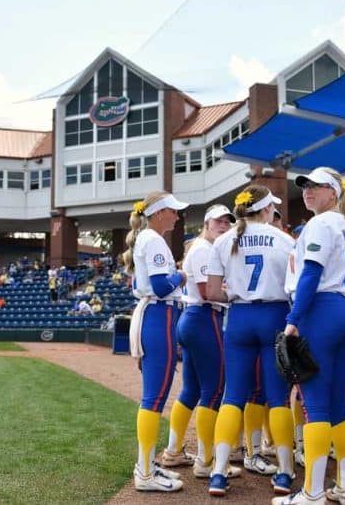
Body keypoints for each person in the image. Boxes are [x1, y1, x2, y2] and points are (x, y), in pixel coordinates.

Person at [276, 167, 345, 505]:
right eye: (306, 186)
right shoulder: (343, 224)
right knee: (340, 402)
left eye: (317, 186)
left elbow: (311, 273)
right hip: (343, 310)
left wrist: (293, 319)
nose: (309, 191)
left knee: (314, 404)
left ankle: (312, 492)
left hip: (319, 311)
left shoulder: (320, 223)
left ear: (334, 192)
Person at [205, 190, 297, 497]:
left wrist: (235, 293)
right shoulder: (284, 239)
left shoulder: (222, 240)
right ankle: (284, 471)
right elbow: (296, 288)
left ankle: (218, 473)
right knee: (277, 397)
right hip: (274, 314)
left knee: (233, 395)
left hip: (240, 316)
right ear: (267, 208)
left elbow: (213, 293)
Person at [159, 204, 238, 481]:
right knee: (214, 392)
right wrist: (239, 292)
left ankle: (173, 450)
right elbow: (208, 292)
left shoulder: (202, 248)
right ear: (207, 223)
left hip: (192, 319)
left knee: (191, 390)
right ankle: (205, 461)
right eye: (219, 221)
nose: (224, 225)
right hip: (204, 317)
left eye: (228, 222)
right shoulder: (205, 249)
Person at [123, 191, 190, 492]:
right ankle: (146, 472)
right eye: (173, 211)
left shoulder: (146, 239)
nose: (176, 216)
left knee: (156, 396)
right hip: (158, 315)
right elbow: (163, 287)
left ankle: (147, 465)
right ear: (160, 212)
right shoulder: (153, 239)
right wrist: (182, 276)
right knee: (154, 397)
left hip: (154, 315)